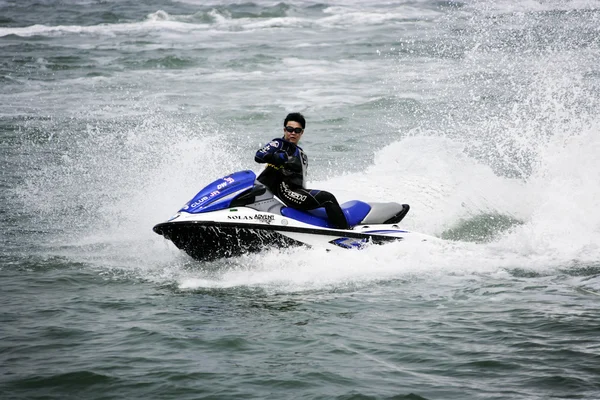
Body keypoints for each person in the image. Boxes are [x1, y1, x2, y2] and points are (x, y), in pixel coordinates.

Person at [254, 112, 350, 230]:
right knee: (328, 198)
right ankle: (346, 233)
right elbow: (259, 156)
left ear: (302, 133)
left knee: (325, 199)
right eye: (290, 129)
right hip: (285, 191)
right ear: (284, 130)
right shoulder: (279, 144)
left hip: (295, 191)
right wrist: (276, 158)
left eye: (297, 130)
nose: (293, 133)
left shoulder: (301, 153)